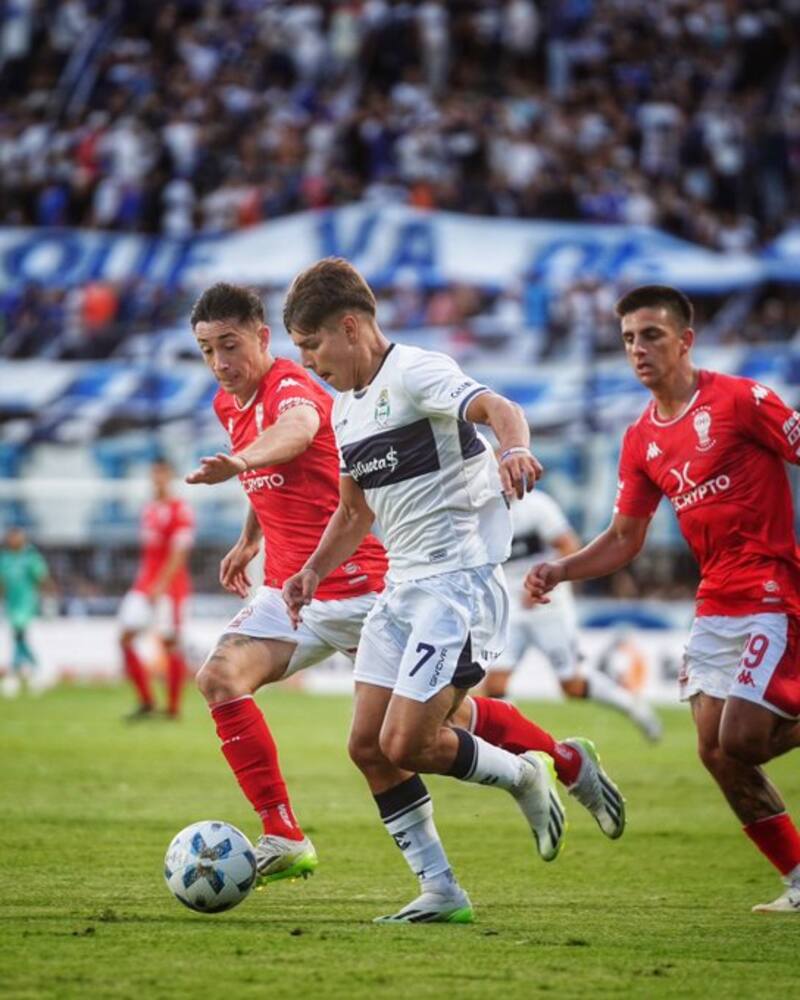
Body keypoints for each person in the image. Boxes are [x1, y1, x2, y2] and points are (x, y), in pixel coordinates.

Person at [188, 279, 624, 903]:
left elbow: (303, 426)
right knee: (348, 733)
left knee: (421, 734)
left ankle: (539, 770)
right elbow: (345, 506)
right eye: (206, 351)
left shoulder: (381, 378)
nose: (308, 360)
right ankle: (406, 877)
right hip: (351, 590)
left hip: (432, 585)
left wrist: (517, 448)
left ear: (345, 329)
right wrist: (281, 553)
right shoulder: (332, 405)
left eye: (311, 345)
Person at [525, 284, 800, 915]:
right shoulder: (641, 439)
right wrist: (562, 569)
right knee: (713, 750)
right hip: (716, 602)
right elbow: (625, 538)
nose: (638, 349)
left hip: (770, 586)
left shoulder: (740, 399)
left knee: (745, 739)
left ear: (685, 340)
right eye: (627, 339)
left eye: (651, 335)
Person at [484, 484, 663, 741]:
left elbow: (569, 546)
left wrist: (541, 583)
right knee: (495, 684)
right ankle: (515, 746)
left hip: (548, 605)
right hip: (511, 606)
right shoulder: (486, 511)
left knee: (572, 685)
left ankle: (631, 704)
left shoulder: (538, 506)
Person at [118, 458, 194, 721]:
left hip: (169, 588)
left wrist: (161, 585)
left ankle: (173, 709)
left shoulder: (180, 509)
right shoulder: (149, 509)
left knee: (171, 643)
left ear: (170, 477)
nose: (157, 478)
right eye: (154, 473)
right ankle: (147, 701)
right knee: (125, 638)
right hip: (143, 585)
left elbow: (179, 553)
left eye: (162, 474)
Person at [0, 527, 52, 695]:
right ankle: (37, 668)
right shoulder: (5, 559)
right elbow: (2, 583)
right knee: (18, 638)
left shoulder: (30, 558)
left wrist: (49, 599)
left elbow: (42, 579)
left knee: (18, 635)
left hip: (27, 603)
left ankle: (14, 674)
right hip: (11, 604)